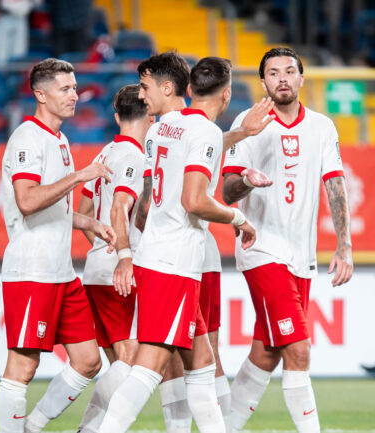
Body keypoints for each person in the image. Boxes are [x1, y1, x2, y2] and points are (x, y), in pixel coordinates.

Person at [96, 54, 256, 433]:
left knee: (201, 363)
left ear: (175, 88)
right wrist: (239, 219)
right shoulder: (202, 133)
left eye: (145, 86)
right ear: (227, 94)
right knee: (148, 367)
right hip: (174, 262)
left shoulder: (161, 129)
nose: (142, 94)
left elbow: (150, 202)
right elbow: (194, 200)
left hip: (160, 257)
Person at [221, 47, 353, 433]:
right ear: (263, 82)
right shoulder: (249, 122)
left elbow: (335, 184)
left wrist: (344, 244)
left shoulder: (323, 127)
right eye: (273, 72)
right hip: (261, 249)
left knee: (267, 351)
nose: (282, 77)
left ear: (301, 78)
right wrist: (246, 179)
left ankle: (223, 428)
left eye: (289, 71)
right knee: (298, 349)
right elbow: (227, 192)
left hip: (300, 255)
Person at [0, 58, 116, 433]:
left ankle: (31, 427)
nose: (75, 95)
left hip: (61, 272)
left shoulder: (60, 139)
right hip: (31, 267)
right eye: (65, 88)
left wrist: (89, 222)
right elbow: (28, 201)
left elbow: (55, 207)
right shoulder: (27, 138)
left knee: (88, 360)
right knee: (24, 364)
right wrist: (79, 176)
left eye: (75, 88)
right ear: (40, 94)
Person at [26, 84, 152, 433]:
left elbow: (82, 211)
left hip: (97, 268)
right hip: (119, 272)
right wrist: (121, 253)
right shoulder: (133, 157)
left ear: (116, 116)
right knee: (133, 363)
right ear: (151, 114)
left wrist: (102, 247)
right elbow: (117, 209)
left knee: (117, 363)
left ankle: (78, 428)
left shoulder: (105, 153)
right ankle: (52, 425)